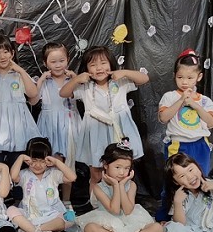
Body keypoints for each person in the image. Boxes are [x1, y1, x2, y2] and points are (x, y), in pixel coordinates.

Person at [59, 46, 149, 196]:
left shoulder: (121, 82)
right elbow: (63, 93)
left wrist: (124, 72)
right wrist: (77, 79)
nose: (99, 68)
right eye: (93, 65)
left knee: (122, 171)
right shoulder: (85, 87)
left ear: (111, 64)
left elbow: (144, 78)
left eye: (103, 63)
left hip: (119, 133)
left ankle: (122, 203)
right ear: (87, 69)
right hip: (96, 135)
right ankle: (97, 205)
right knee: (96, 174)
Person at [0, 34, 41, 202]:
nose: (2, 56)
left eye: (5, 52)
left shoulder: (19, 75)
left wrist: (20, 70)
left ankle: (18, 201)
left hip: (18, 125)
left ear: (12, 53)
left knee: (18, 161)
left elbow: (33, 94)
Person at [75, 139, 163, 232]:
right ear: (105, 165)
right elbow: (115, 210)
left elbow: (127, 210)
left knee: (157, 228)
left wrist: (121, 186)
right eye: (117, 167)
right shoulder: (98, 188)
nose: (122, 172)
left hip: (130, 220)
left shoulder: (131, 185)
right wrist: (115, 186)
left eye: (126, 168)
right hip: (108, 221)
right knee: (90, 229)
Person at [156, 48, 213, 222]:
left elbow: (211, 123)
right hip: (178, 145)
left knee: (201, 180)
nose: (184, 82)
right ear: (174, 76)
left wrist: (195, 105)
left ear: (199, 77)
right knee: (173, 181)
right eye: (180, 77)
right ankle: (166, 217)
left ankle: (201, 216)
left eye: (190, 78)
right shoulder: (169, 97)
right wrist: (181, 100)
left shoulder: (205, 101)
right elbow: (163, 118)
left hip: (200, 145)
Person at [35, 42, 82, 210]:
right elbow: (33, 100)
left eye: (61, 60)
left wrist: (75, 77)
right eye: (53, 62)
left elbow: (84, 95)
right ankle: (50, 200)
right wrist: (41, 79)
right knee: (50, 162)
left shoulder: (72, 80)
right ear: (45, 63)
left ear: (68, 60)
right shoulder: (44, 82)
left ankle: (66, 200)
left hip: (69, 124)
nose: (58, 65)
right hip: (50, 125)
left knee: (68, 164)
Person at [7, 137, 78, 232]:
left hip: (52, 214)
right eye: (34, 160)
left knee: (70, 217)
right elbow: (13, 176)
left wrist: (56, 162)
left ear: (48, 160)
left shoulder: (53, 174)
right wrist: (20, 158)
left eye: (42, 161)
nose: (38, 165)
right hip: (30, 214)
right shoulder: (25, 174)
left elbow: (72, 177)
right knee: (11, 210)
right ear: (28, 159)